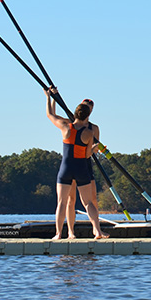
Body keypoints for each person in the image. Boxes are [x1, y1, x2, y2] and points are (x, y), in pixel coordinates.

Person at [45, 88, 108, 240]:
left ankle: (59, 234)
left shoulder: (65, 127)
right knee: (88, 203)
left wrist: (49, 97)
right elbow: (87, 154)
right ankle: (98, 231)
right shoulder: (89, 133)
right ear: (88, 115)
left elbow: (50, 115)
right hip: (81, 168)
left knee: (61, 202)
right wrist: (95, 148)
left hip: (66, 168)